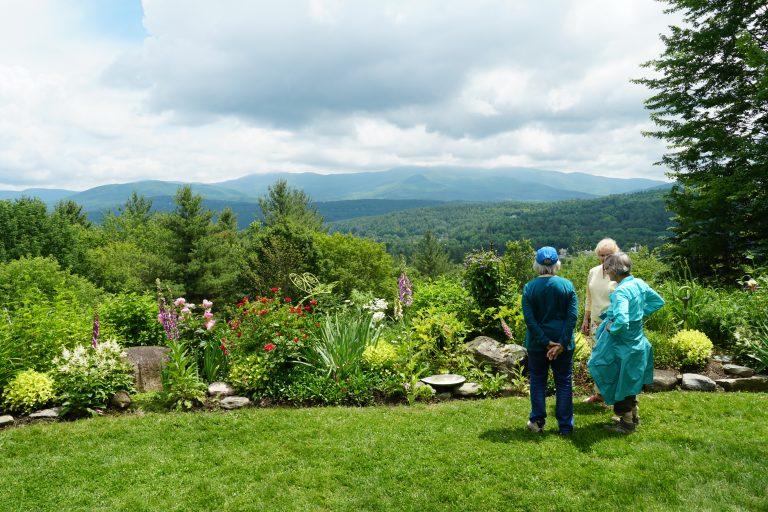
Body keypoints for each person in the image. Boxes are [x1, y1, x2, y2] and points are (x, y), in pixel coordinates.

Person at [588, 252, 665, 434]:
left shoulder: (620, 291)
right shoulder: (638, 283)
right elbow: (658, 302)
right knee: (629, 379)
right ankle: (633, 415)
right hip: (637, 343)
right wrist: (638, 314)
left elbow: (622, 320)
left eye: (607, 269)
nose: (606, 273)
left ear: (614, 270)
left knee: (610, 374)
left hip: (621, 345)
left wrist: (611, 328)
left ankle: (627, 422)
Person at [522, 246, 578, 435]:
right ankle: (565, 427)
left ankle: (537, 421)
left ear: (537, 265)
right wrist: (561, 343)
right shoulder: (567, 286)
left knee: (538, 380)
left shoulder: (529, 287)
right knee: (563, 382)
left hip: (537, 345)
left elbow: (530, 320)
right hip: (564, 346)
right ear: (556, 264)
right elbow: (572, 317)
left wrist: (546, 342)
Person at [580, 238, 620, 404]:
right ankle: (599, 394)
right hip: (596, 322)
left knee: (613, 359)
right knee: (598, 359)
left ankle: (617, 396)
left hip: (613, 323)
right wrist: (585, 319)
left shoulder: (619, 273)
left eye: (608, 254)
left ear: (616, 254)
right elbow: (589, 297)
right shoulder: (593, 271)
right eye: (602, 255)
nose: (604, 258)